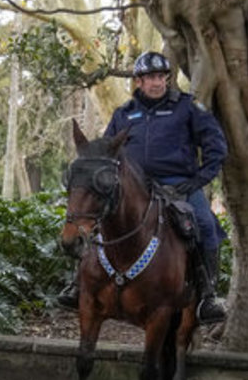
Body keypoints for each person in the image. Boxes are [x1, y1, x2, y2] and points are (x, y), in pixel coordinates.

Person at [56, 50, 228, 322]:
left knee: (205, 224)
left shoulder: (188, 107)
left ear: (167, 79)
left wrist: (196, 181)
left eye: (161, 77)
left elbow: (216, 147)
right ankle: (77, 284)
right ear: (139, 82)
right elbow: (105, 151)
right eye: (150, 78)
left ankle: (208, 297)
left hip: (178, 184)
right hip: (132, 187)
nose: (156, 82)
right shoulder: (124, 114)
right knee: (94, 221)